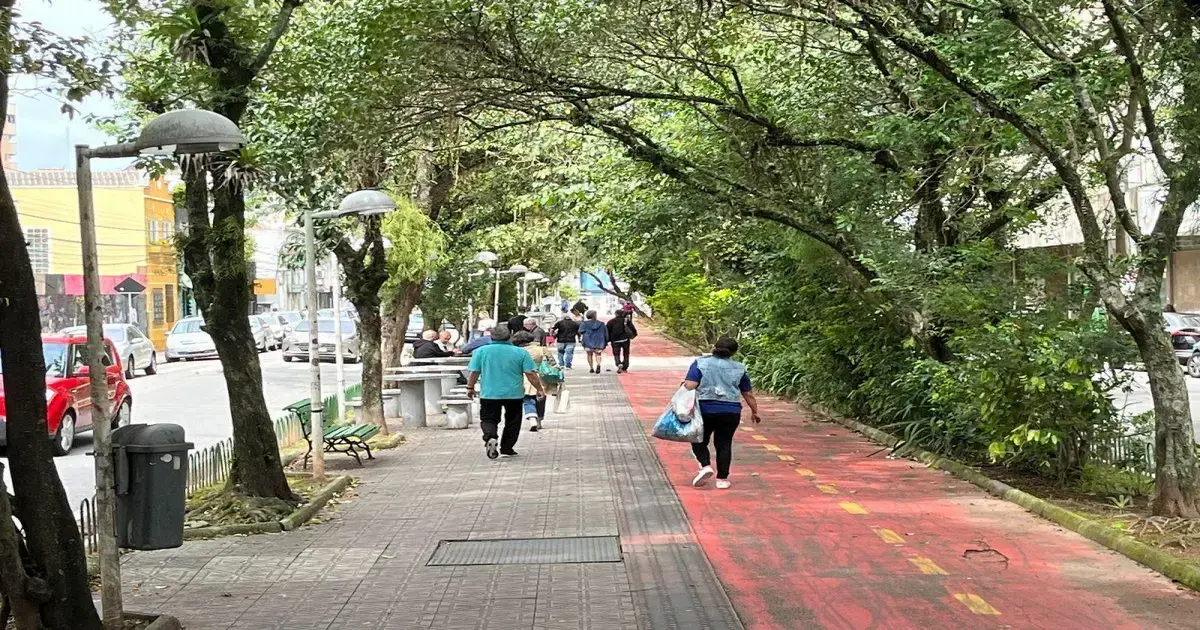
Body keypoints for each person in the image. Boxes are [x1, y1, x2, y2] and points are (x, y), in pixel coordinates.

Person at [684, 337, 761, 489]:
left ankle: (705, 466)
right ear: (734, 352)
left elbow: (690, 385)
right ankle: (722, 480)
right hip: (731, 411)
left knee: (698, 439)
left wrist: (685, 387)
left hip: (705, 409)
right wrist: (755, 411)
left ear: (714, 347)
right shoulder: (739, 368)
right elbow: (748, 393)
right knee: (724, 443)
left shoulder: (700, 363)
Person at [467, 324, 546, 459]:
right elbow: (530, 373)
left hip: (489, 393)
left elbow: (474, 372)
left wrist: (470, 387)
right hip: (514, 393)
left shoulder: (480, 351)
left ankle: (490, 437)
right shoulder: (521, 352)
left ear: (491, 337)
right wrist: (539, 389)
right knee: (513, 421)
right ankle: (507, 448)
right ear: (509, 336)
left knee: (488, 419)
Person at [512, 331, 557, 431]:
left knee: (527, 399)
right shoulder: (541, 349)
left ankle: (532, 417)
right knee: (541, 399)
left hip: (523, 378)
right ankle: (539, 421)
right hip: (541, 377)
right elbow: (552, 362)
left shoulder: (515, 351)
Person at [606, 309, 637, 373]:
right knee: (626, 353)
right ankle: (625, 367)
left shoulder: (611, 321)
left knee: (616, 353)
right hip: (625, 339)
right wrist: (634, 335)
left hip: (615, 340)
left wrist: (608, 339)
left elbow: (607, 331)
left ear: (616, 314)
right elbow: (633, 329)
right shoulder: (627, 321)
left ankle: (618, 363)